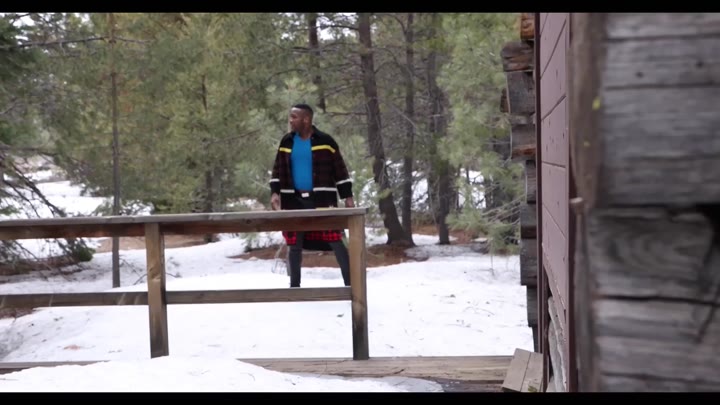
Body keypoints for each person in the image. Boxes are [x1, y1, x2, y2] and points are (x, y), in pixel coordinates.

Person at [269, 103, 355, 288]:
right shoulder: (287, 142)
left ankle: (351, 286)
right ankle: (295, 288)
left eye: (294, 117)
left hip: (322, 199)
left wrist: (347, 197)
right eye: (290, 117)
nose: (290, 121)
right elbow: (277, 169)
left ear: (306, 119)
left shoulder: (325, 141)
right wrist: (275, 192)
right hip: (293, 200)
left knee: (336, 240)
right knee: (294, 245)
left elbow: (340, 170)